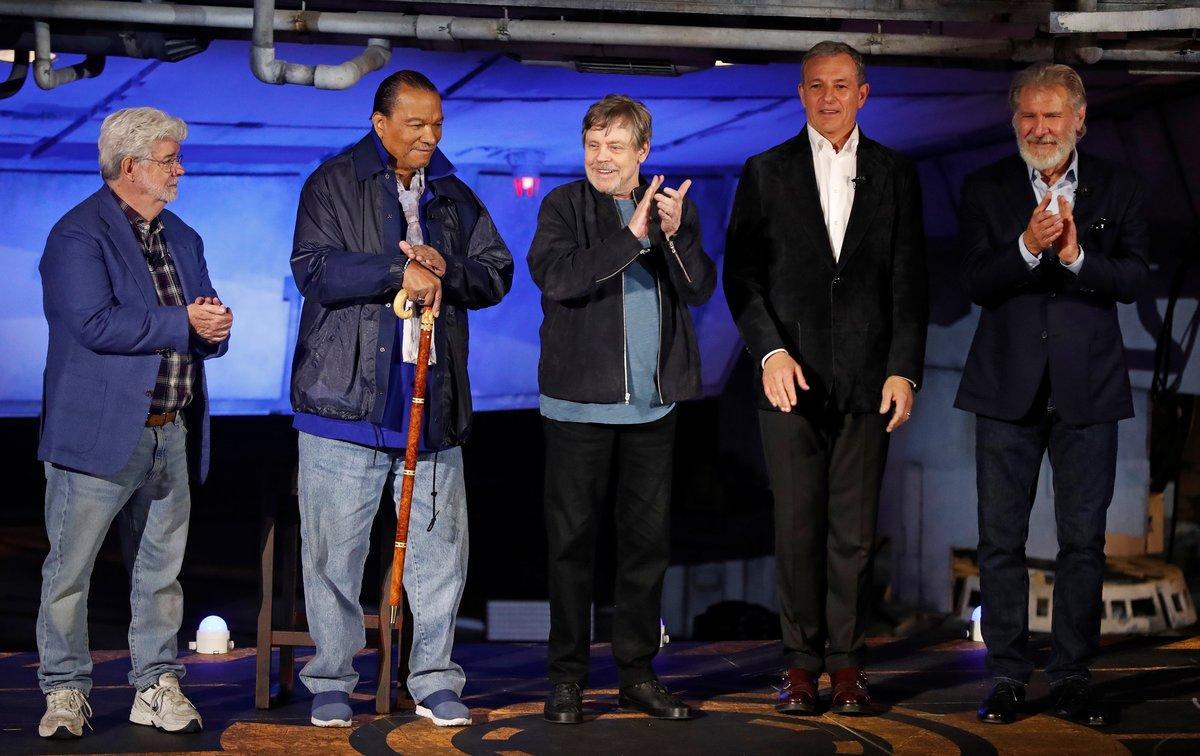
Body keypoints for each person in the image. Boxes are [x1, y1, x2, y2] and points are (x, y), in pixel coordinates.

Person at [290, 70, 512, 728]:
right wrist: (398, 270)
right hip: (344, 407)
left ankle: (436, 678)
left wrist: (449, 267)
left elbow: (495, 271)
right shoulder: (333, 184)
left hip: (432, 406)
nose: (429, 135)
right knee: (334, 556)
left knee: (441, 556)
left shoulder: (452, 193)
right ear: (379, 123)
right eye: (415, 124)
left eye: (437, 123)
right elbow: (315, 268)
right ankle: (332, 679)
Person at [723, 41, 928, 716]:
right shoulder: (766, 170)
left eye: (842, 86)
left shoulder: (897, 174)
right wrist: (769, 353)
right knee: (798, 530)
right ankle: (800, 665)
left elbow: (909, 280)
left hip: (870, 382)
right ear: (801, 93)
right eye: (817, 86)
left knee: (855, 534)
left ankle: (846, 666)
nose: (830, 97)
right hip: (789, 382)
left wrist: (904, 369)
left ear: (863, 94)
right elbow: (742, 277)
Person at [956, 62, 1148, 727]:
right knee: (1000, 543)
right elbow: (975, 283)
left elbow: (1132, 279)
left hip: (1088, 393)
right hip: (1004, 389)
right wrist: (1026, 247)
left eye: (1053, 116)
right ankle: (1008, 675)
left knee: (1083, 544)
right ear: (1015, 121)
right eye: (1029, 116)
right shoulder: (984, 188)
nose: (1041, 128)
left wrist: (1073, 259)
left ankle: (1071, 676)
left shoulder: (1118, 187)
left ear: (1080, 119)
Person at [35, 107, 231, 739]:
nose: (180, 169)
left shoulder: (183, 235)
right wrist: (186, 325)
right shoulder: (77, 236)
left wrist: (216, 330)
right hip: (96, 433)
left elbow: (200, 314)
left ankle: (155, 682)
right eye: (169, 159)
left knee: (159, 571)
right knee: (70, 572)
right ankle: (64, 691)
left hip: (167, 428)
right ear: (130, 166)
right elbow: (91, 324)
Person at [528, 94, 716, 724]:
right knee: (571, 548)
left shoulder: (667, 214)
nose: (601, 158)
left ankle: (637, 674)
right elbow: (559, 279)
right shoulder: (563, 206)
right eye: (593, 146)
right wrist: (629, 235)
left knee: (645, 548)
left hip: (652, 412)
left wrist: (672, 233)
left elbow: (699, 289)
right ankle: (566, 680)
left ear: (643, 153)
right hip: (576, 411)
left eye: (614, 147)